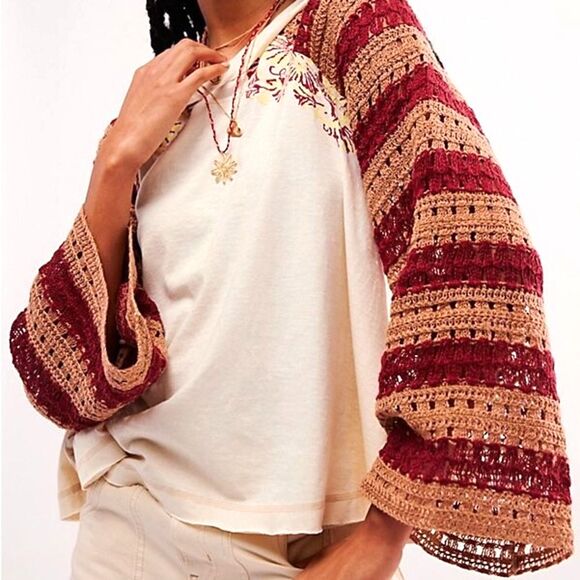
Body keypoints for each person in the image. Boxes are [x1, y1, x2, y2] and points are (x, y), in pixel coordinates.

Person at [8, 0, 572, 578]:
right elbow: (62, 378)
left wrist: (382, 538)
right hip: (134, 528)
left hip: (315, 547)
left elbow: (479, 247)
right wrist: (114, 160)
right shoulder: (162, 89)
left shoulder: (351, 25)